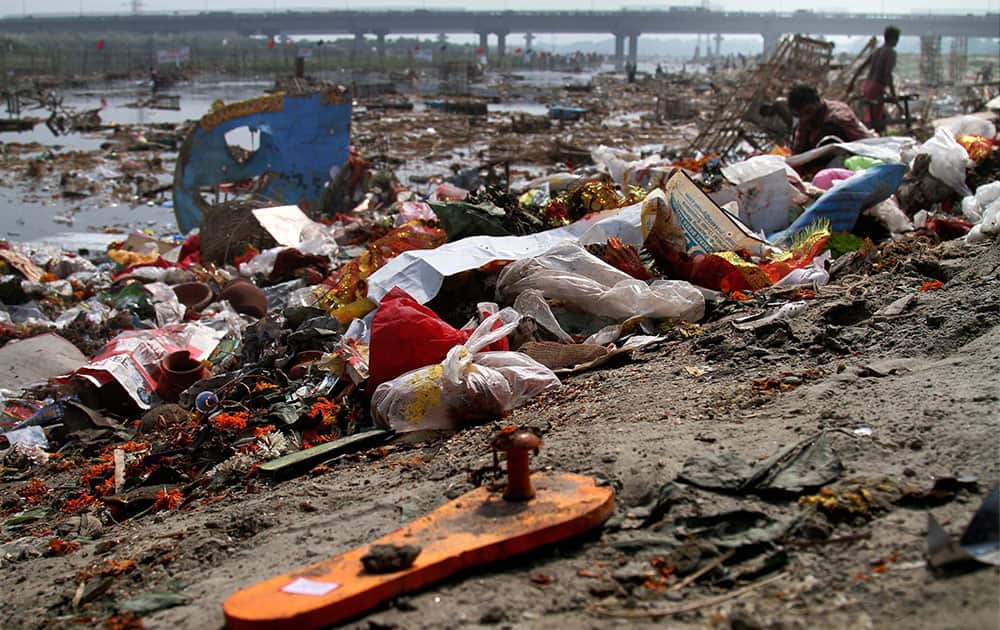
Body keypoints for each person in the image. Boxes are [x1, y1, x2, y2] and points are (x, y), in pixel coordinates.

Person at [788, 84, 873, 155]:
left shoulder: (838, 115)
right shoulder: (805, 120)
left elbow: (862, 141)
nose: (805, 118)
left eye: (808, 112)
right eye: (800, 115)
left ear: (818, 102)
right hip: (816, 160)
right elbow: (798, 150)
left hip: (850, 153)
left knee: (828, 130)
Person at [863, 26, 900, 133]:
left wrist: (852, 84)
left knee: (871, 115)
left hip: (867, 85)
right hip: (876, 87)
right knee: (876, 119)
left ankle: (871, 134)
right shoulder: (891, 52)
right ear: (893, 39)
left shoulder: (877, 51)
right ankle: (874, 136)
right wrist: (893, 95)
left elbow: (862, 66)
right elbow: (888, 74)